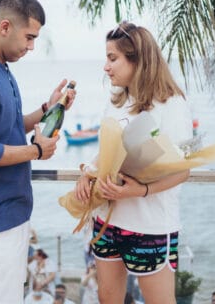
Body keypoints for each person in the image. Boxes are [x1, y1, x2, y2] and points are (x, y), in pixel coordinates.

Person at [0, 0, 76, 304]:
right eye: (29, 37)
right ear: (5, 27)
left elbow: (9, 126)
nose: (31, 47)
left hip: (11, 212)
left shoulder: (0, 71)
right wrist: (36, 150)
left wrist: (49, 109)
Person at [74, 22, 192, 304]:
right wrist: (86, 174)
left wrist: (138, 191)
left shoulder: (171, 104)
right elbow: (105, 154)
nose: (106, 66)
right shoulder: (116, 102)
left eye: (112, 58)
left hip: (149, 226)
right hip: (106, 221)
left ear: (137, 59)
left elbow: (183, 170)